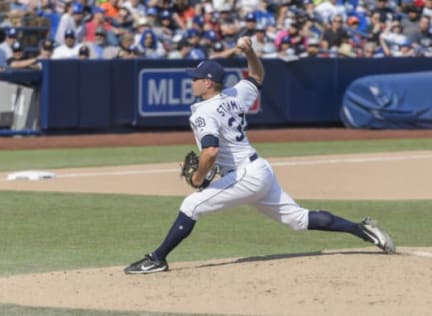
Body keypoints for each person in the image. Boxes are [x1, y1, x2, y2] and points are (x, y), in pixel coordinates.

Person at [124, 36, 396, 275]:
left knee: (191, 205)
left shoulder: (203, 111)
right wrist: (250, 51)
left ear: (208, 83)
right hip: (260, 170)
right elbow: (258, 77)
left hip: (245, 175)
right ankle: (361, 229)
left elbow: (210, 151)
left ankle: (157, 259)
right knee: (298, 219)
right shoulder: (235, 94)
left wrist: (197, 179)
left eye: (195, 78)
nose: (192, 82)